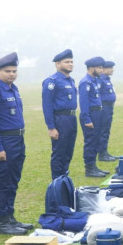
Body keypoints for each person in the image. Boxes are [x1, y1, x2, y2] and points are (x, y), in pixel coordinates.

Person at [0, 52, 30, 236]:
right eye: (8, 71)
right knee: (3, 183)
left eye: (14, 71)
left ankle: (10, 218)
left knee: (13, 181)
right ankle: (2, 222)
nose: (11, 74)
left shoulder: (13, 89)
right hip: (3, 142)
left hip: (17, 140)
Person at [42, 49, 78, 179]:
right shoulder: (52, 81)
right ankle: (57, 182)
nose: (70, 64)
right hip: (60, 119)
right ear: (58, 64)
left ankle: (64, 178)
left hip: (72, 118)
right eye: (67, 62)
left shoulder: (71, 80)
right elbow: (47, 105)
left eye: (71, 62)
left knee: (68, 151)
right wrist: (51, 127)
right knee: (59, 153)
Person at [79, 56, 109, 177]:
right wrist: (86, 119)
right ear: (92, 68)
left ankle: (94, 166)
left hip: (98, 113)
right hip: (90, 114)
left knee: (96, 140)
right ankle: (89, 168)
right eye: (99, 67)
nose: (102, 70)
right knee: (90, 142)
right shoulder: (85, 82)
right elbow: (83, 102)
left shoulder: (94, 81)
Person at [97, 60, 118, 162]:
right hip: (104, 107)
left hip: (109, 107)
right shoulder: (100, 80)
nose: (112, 70)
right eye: (110, 68)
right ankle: (102, 153)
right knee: (103, 130)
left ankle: (105, 151)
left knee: (106, 130)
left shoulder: (107, 79)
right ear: (103, 69)